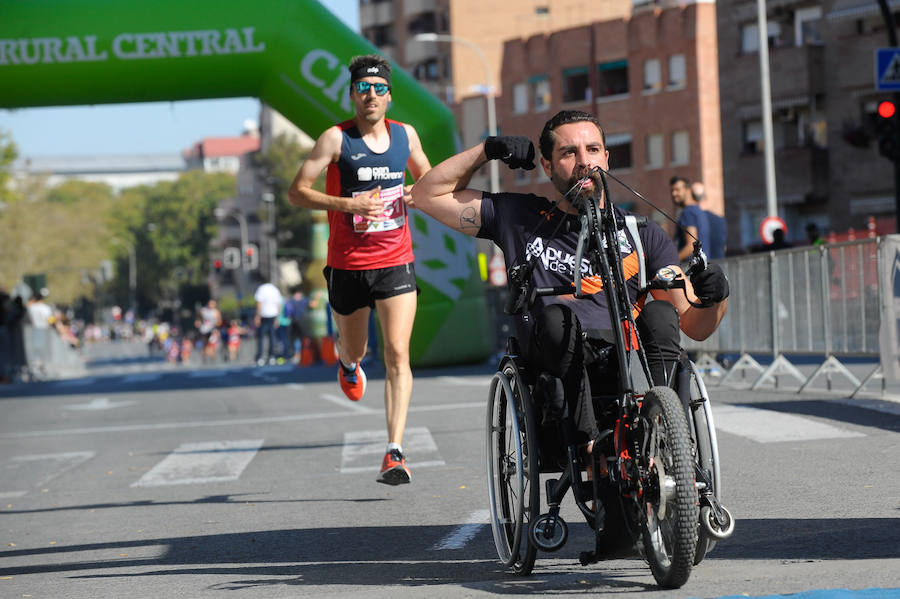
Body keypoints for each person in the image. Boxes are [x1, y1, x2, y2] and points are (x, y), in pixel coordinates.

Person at [411, 109, 729, 454]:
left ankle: (665, 437)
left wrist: (716, 298)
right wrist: (486, 150)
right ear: (547, 165)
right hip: (558, 362)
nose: (583, 161)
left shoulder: (643, 234)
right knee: (556, 318)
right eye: (568, 152)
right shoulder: (520, 218)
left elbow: (694, 326)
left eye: (592, 150)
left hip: (629, 357)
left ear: (606, 158)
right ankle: (587, 443)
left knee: (662, 315)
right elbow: (428, 194)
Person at [287, 53, 431, 485]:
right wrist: (347, 204)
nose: (371, 95)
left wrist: (414, 193)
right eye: (363, 88)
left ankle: (394, 451)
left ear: (389, 96)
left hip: (395, 261)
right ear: (352, 94)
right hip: (347, 265)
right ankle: (348, 365)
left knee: (398, 353)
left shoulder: (406, 136)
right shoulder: (335, 139)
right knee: (357, 351)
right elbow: (297, 192)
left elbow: (430, 181)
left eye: (379, 88)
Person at [671, 176, 710, 263]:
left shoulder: (688, 212)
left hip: (691, 269)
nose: (674, 194)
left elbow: (691, 246)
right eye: (672, 190)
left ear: (688, 190)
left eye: (677, 190)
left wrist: (671, 262)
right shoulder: (698, 210)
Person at [691, 181, 727, 260]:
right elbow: (724, 247)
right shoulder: (720, 220)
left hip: (701, 269)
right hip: (720, 266)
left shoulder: (691, 219)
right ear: (705, 197)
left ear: (691, 198)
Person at [254, 279, 283, 366]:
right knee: (272, 337)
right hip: (273, 315)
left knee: (261, 337)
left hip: (264, 315)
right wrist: (278, 317)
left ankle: (260, 357)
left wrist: (257, 316)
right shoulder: (275, 289)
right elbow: (279, 304)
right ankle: (272, 356)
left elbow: (259, 303)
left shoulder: (261, 288)